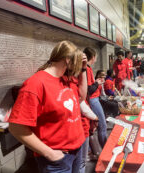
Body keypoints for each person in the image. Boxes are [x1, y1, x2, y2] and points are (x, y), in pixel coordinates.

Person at [8, 41, 87, 173]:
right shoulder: (35, 84)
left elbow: (80, 98)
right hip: (58, 158)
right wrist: (50, 153)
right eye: (77, 63)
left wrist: (83, 70)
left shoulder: (65, 80)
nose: (77, 67)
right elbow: (16, 127)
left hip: (77, 149)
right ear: (68, 60)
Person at [84, 47, 107, 148]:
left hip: (94, 99)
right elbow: (89, 90)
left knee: (94, 127)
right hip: (93, 100)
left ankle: (92, 150)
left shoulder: (87, 69)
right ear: (93, 57)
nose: (96, 59)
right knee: (102, 125)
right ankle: (104, 149)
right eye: (96, 57)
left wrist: (96, 83)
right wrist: (97, 83)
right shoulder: (86, 69)